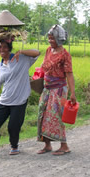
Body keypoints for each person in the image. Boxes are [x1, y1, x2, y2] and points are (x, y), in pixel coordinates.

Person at [0, 38, 40, 158]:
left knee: (13, 126)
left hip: (19, 99)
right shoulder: (0, 65)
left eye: (5, 47)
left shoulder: (21, 59)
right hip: (4, 100)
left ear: (10, 48)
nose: (2, 50)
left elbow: (37, 52)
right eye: (0, 47)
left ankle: (14, 147)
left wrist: (21, 51)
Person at [37, 25, 76, 156]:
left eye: (52, 38)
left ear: (59, 39)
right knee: (42, 115)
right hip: (47, 89)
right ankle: (47, 145)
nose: (50, 41)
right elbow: (44, 67)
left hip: (59, 90)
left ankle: (64, 146)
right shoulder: (48, 50)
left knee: (56, 116)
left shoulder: (65, 55)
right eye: (49, 38)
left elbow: (69, 74)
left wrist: (72, 93)